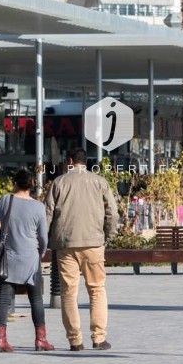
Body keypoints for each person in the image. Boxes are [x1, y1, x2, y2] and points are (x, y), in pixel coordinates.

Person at [45, 147, 120, 352]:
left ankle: (75, 340)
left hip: (66, 244)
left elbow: (47, 215)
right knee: (96, 290)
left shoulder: (59, 182)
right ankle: (98, 337)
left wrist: (45, 241)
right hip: (93, 243)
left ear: (70, 161)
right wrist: (107, 236)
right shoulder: (99, 182)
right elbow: (112, 213)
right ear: (85, 162)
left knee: (69, 293)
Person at [0, 169, 52, 353]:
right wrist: (41, 252)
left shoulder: (6, 200)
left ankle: (1, 340)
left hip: (9, 258)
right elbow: (43, 238)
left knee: (4, 298)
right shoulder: (38, 207)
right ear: (31, 185)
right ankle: (41, 340)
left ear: (15, 183)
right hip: (31, 259)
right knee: (36, 299)